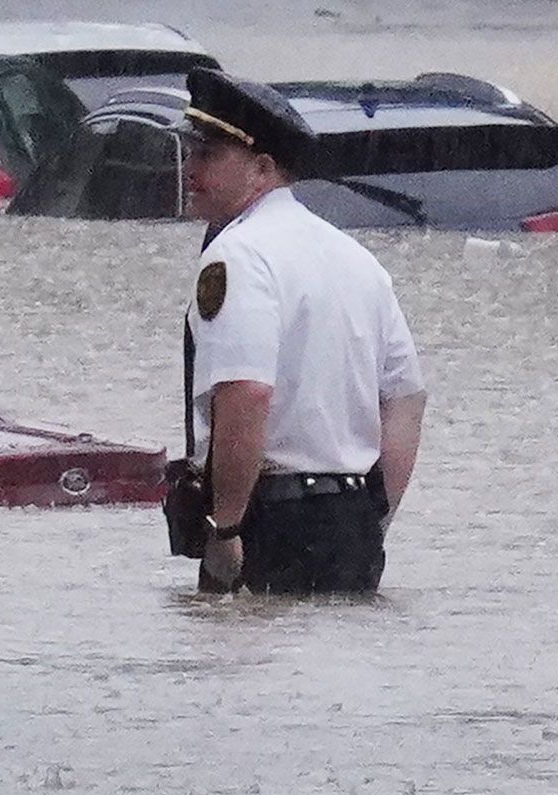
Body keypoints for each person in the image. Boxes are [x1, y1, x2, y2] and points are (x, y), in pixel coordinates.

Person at [172, 69, 427, 595]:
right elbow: (405, 398)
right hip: (350, 524)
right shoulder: (355, 257)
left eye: (209, 155)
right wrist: (376, 516)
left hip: (268, 525)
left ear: (262, 169)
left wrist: (226, 528)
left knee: (244, 673)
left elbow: (246, 391)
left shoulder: (239, 253)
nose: (190, 169)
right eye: (191, 151)